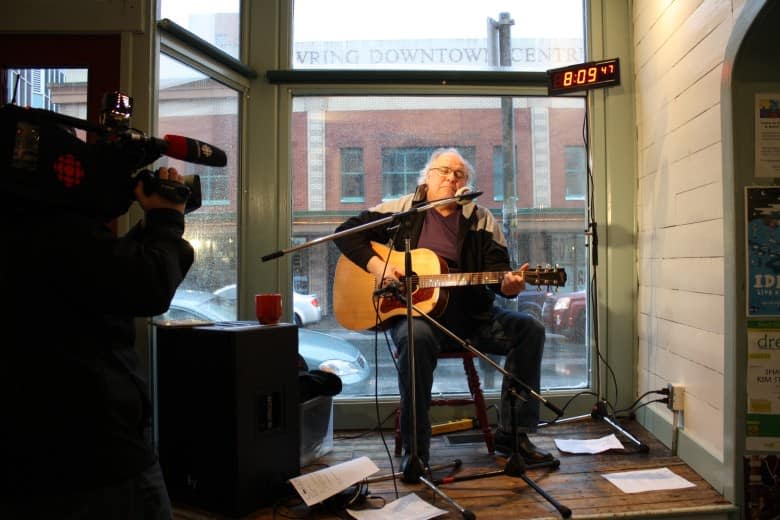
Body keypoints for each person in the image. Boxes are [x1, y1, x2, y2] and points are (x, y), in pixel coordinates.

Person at [334, 147, 554, 477]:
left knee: (530, 329)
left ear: (466, 184)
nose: (451, 178)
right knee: (415, 337)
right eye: (443, 171)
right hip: (417, 317)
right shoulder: (400, 211)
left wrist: (509, 285)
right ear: (427, 176)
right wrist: (380, 268)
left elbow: (499, 276)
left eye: (459, 174)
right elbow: (345, 234)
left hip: (472, 319)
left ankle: (514, 436)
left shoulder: (481, 219)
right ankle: (416, 452)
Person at [0, 162, 195, 519]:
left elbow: (101, 280)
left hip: (29, 452)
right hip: (94, 451)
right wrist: (167, 221)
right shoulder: (51, 227)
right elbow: (146, 285)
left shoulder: (24, 227)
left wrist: (150, 231)